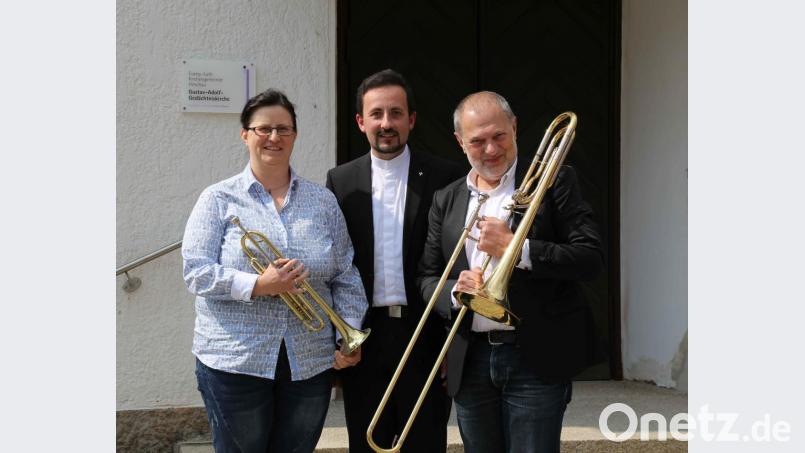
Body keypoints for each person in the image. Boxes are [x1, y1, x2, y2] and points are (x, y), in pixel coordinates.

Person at [182, 88, 368, 453]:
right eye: (263, 128)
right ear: (245, 134)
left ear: (295, 135)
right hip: (236, 361)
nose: (273, 137)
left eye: (283, 129)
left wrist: (349, 332)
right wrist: (258, 284)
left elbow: (345, 273)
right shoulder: (218, 199)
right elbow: (195, 271)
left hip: (309, 362)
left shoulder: (322, 201)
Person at [417, 91, 604, 453]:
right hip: (470, 360)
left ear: (515, 128)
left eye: (498, 136)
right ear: (460, 142)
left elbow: (590, 257)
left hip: (533, 356)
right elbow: (427, 277)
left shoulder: (554, 182)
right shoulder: (447, 199)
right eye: (477, 140)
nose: (490, 149)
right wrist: (455, 291)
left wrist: (516, 249)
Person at [326, 69, 464, 452]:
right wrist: (337, 339)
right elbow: (335, 266)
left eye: (396, 113)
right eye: (377, 114)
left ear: (411, 119)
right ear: (360, 121)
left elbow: (458, 261)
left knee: (425, 444)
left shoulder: (446, 177)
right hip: (364, 341)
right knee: (365, 444)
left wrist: (455, 344)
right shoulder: (341, 180)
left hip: (425, 337)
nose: (386, 124)